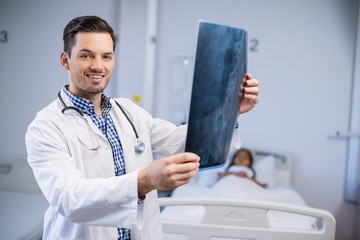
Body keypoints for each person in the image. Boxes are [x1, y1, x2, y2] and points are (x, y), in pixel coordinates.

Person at [25, 15, 259, 240]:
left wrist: (231, 109)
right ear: (65, 59)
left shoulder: (128, 111)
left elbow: (184, 141)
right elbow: (69, 199)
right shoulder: (46, 127)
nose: (98, 66)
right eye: (86, 56)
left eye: (107, 56)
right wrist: (145, 180)